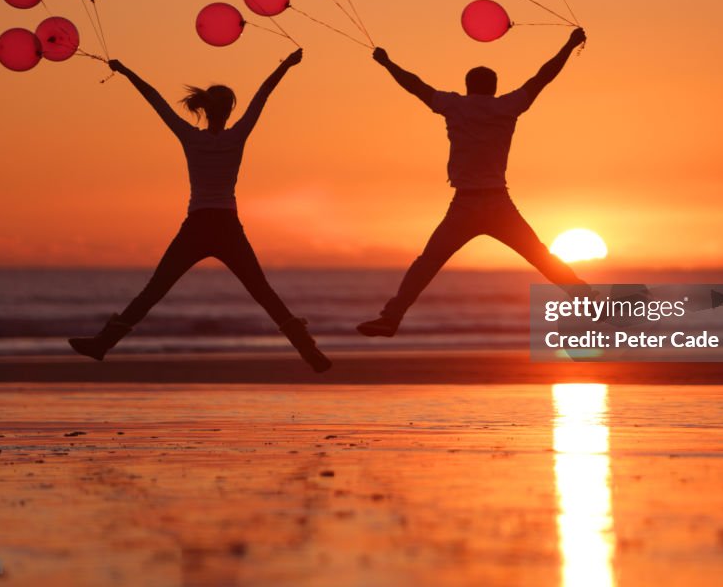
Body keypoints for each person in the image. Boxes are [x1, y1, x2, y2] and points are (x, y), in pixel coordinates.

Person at [68, 49, 331, 372]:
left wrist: (126, 71)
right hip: (227, 226)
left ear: (205, 109)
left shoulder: (190, 137)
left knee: (155, 290)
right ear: (229, 110)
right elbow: (264, 94)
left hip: (197, 225)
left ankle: (103, 343)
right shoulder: (237, 135)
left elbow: (155, 100)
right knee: (262, 291)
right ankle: (308, 350)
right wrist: (286, 65)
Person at [358, 27, 594, 337]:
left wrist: (387, 63)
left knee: (427, 263)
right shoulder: (506, 106)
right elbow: (542, 77)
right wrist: (569, 44)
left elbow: (415, 86)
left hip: (466, 205)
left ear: (468, 88)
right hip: (498, 203)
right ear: (494, 88)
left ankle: (391, 318)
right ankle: (590, 301)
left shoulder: (456, 106)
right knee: (541, 257)